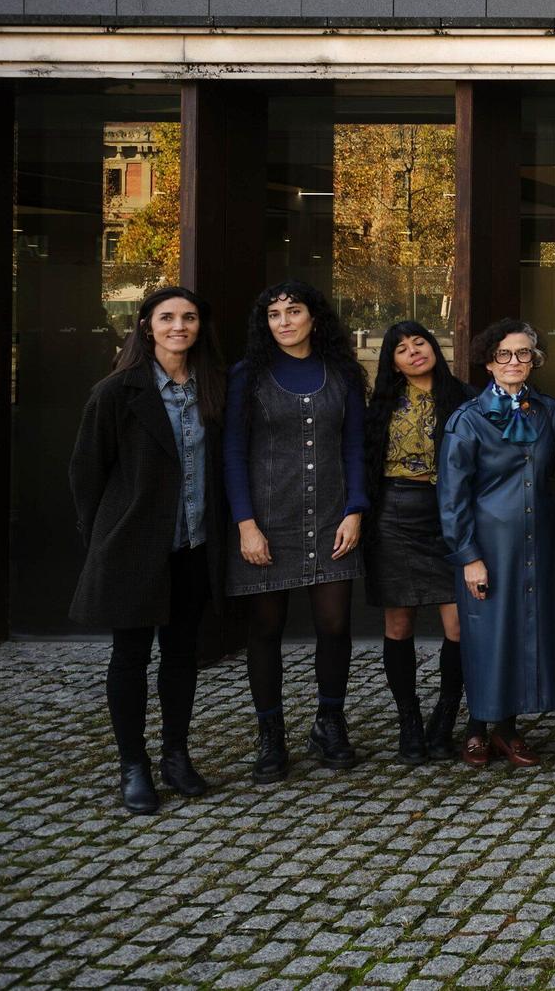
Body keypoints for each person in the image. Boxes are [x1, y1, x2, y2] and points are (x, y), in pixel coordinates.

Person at [69, 286, 227, 813]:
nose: (178, 326)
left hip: (192, 545)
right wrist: (103, 541)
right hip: (133, 547)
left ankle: (175, 756)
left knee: (181, 654)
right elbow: (86, 473)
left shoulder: (213, 387)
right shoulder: (117, 392)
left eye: (188, 317)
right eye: (166, 317)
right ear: (146, 326)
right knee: (130, 657)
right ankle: (133, 765)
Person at [223, 280, 370, 783]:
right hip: (267, 522)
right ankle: (271, 735)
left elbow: (355, 446)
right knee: (265, 631)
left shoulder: (343, 373)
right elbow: (233, 455)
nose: (284, 321)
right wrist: (246, 525)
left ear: (314, 317)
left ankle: (330, 722)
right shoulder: (247, 376)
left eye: (294, 311)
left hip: (332, 517)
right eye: (273, 314)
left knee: (334, 626)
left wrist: (355, 509)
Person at [439, 318, 555, 767]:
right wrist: (468, 557)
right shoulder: (467, 419)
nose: (515, 362)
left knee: (526, 631)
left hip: (539, 544)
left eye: (524, 354)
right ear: (488, 362)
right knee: (486, 635)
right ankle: (478, 729)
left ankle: (508, 728)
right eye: (505, 354)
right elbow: (451, 495)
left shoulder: (548, 411)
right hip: (489, 549)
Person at [361, 320, 472, 764]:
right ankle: (409, 721)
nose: (413, 352)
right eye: (401, 348)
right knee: (398, 625)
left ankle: (444, 719)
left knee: (459, 626)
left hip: (447, 514)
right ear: (392, 361)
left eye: (419, 342)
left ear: (434, 346)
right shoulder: (382, 404)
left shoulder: (463, 397)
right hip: (392, 516)